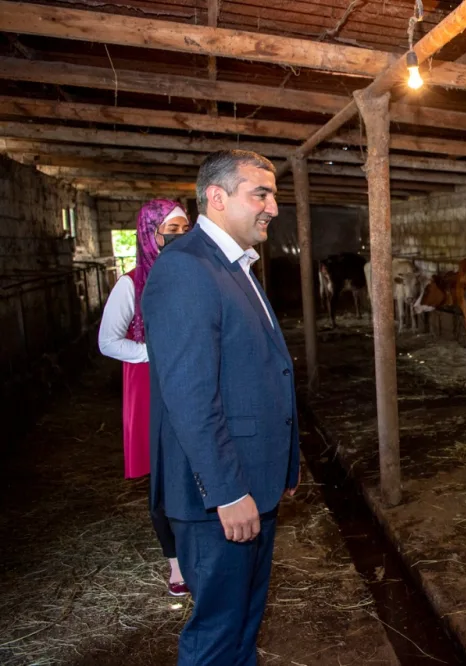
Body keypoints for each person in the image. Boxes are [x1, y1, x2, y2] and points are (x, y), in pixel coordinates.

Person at [142, 149, 299, 665]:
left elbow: (263, 368)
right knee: (217, 633)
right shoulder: (186, 268)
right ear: (216, 197)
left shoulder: (235, 265)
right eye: (261, 193)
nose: (273, 207)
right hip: (219, 496)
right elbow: (189, 395)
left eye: (272, 194)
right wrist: (228, 491)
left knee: (242, 626)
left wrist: (285, 461)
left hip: (254, 480)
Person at [98, 199, 191, 596]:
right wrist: (151, 352)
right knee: (162, 477)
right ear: (150, 234)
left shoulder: (191, 277)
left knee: (192, 463)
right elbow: (107, 341)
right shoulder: (131, 283)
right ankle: (175, 563)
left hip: (187, 379)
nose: (181, 236)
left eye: (186, 227)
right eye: (172, 230)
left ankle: (198, 546)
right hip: (149, 384)